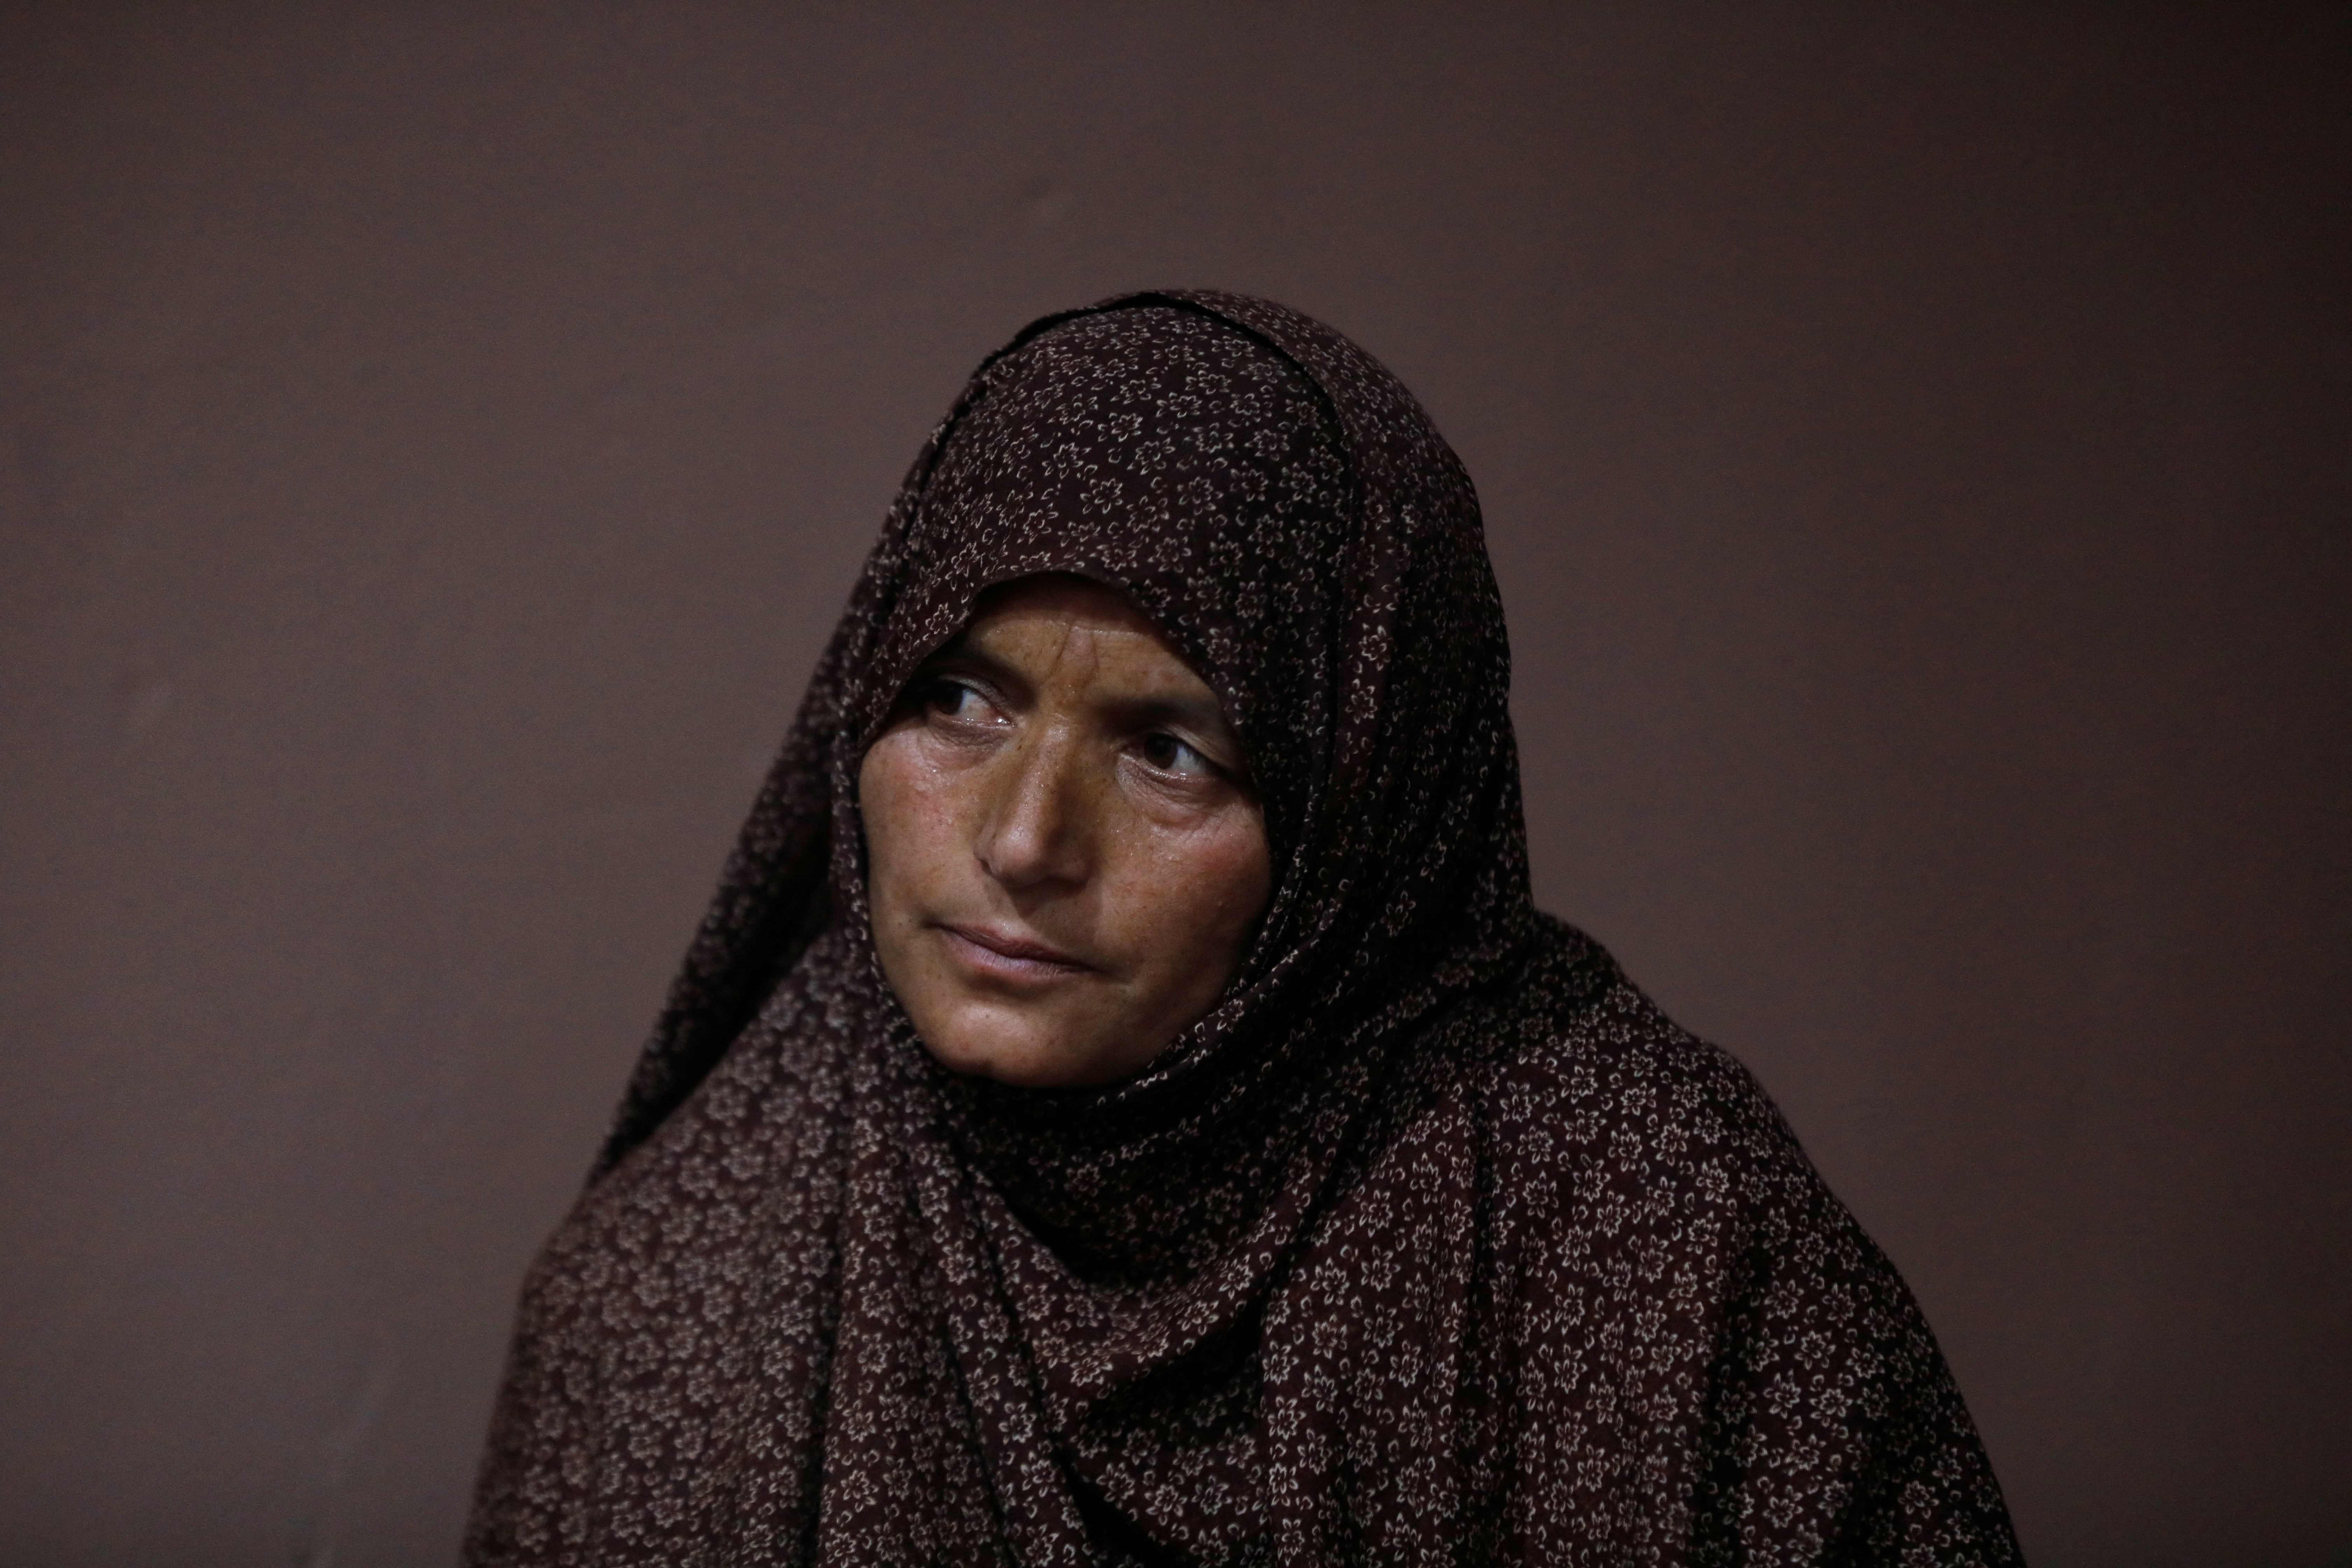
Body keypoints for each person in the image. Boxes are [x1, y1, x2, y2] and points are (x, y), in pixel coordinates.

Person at [464, 291, 2022, 1564]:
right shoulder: (674, 1299)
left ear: (1360, 825)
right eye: (956, 699)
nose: (1021, 841)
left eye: (1170, 751)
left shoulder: (1656, 1240)